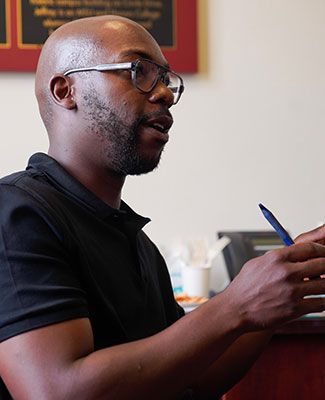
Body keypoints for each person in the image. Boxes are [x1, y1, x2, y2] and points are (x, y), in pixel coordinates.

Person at [0, 15, 325, 400]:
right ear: (65, 90)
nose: (165, 94)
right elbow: (54, 391)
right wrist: (235, 305)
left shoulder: (137, 244)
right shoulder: (16, 213)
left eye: (167, 80)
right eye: (139, 71)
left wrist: (280, 293)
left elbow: (193, 377)